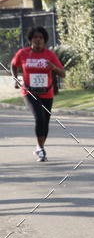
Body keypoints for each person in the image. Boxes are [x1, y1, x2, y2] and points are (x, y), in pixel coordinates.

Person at [11, 26, 65, 162]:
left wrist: (53, 67)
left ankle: (39, 146)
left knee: (45, 122)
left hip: (47, 93)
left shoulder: (50, 55)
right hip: (29, 91)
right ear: (30, 40)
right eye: (35, 37)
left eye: (41, 38)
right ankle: (41, 149)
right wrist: (15, 78)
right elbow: (13, 64)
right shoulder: (23, 53)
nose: (38, 40)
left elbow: (62, 73)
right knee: (39, 117)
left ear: (45, 40)